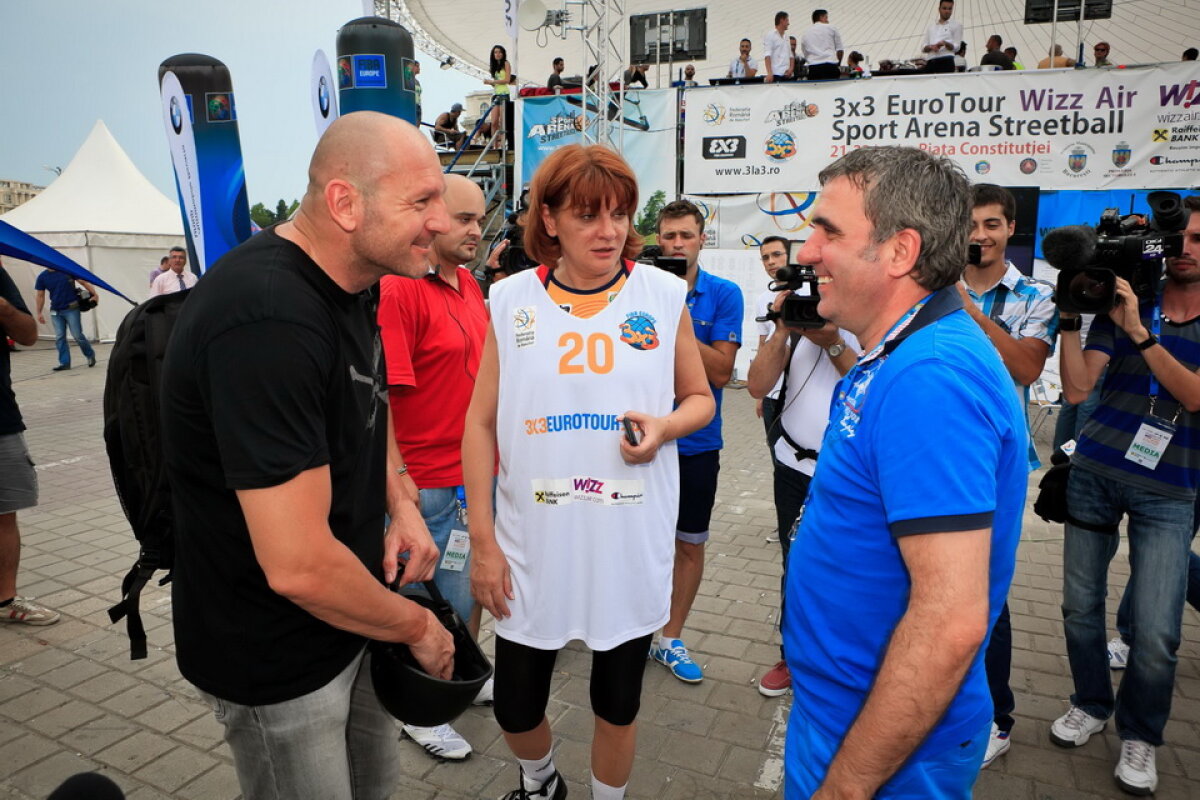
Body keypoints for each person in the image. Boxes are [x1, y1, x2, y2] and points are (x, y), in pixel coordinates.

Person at [160, 112, 455, 800]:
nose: (441, 221)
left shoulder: (357, 282)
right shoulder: (267, 318)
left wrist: (401, 506)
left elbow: (362, 403)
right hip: (276, 654)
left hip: (353, 619)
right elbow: (295, 565)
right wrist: (419, 626)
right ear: (344, 204)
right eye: (422, 202)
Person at [463, 144, 714, 800]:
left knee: (617, 700)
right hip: (531, 541)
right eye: (587, 215)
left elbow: (701, 399)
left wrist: (664, 427)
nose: (609, 231)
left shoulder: (661, 294)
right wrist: (483, 543)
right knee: (516, 705)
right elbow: (481, 424)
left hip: (627, 537)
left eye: (620, 214)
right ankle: (542, 782)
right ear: (549, 220)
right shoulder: (510, 298)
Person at [782, 146, 1026, 797]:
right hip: (845, 716)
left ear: (899, 251)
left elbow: (950, 622)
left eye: (827, 232)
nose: (806, 251)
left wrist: (848, 784)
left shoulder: (931, 377)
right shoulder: (898, 351)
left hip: (883, 750)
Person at [1053, 195, 1200, 796]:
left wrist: (1139, 332)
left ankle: (1141, 733)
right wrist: (1070, 317)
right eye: (1180, 238)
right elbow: (1077, 390)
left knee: (1158, 631)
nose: (1186, 249)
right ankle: (1091, 702)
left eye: (1199, 240)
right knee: (1078, 609)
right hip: (1093, 473)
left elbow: (1193, 396)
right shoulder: (1123, 299)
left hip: (1170, 492)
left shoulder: (1135, 316)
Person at [377, 174, 491, 762]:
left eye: (481, 219)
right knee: (420, 598)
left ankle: (456, 676)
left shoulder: (470, 284)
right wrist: (400, 485)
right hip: (426, 483)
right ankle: (417, 709)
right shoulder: (400, 289)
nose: (477, 230)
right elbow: (384, 399)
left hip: (471, 475)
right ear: (434, 220)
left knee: (459, 588)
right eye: (465, 219)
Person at [958, 184, 1058, 768]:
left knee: (987, 593)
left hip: (999, 465)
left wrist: (965, 308)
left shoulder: (1034, 295)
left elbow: (1025, 364)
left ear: (1010, 228)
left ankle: (998, 715)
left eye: (992, 225)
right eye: (970, 224)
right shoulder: (926, 286)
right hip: (937, 456)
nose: (979, 235)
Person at [747, 243, 858, 699]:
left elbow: (869, 388)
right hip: (792, 466)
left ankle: (843, 661)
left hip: (846, 472)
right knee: (795, 565)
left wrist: (830, 340)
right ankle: (792, 655)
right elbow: (756, 384)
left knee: (849, 570)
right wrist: (782, 329)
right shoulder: (791, 316)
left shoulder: (861, 316)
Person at [648, 200, 743, 685]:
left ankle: (670, 637)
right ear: (658, 239)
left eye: (686, 235)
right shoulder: (634, 290)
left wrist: (674, 314)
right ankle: (628, 627)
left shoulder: (724, 294)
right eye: (669, 236)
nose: (677, 244)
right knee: (636, 542)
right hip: (639, 443)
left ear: (702, 239)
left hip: (696, 445)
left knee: (688, 544)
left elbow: (723, 372)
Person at [1, 260, 59, 626]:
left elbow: (29, 336)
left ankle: (5, 599)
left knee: (5, 513)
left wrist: (4, 308)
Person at [753, 236, 789, 442]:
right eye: (765, 257)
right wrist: (761, 394)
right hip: (772, 395)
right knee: (777, 456)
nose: (771, 262)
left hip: (800, 392)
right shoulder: (762, 299)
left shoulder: (811, 292)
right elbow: (762, 344)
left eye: (776, 255)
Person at [34, 269, 97, 371]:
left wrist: (94, 294)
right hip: (55, 311)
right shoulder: (42, 277)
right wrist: (39, 312)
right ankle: (65, 363)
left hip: (71, 309)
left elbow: (83, 282)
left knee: (77, 335)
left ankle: (90, 355)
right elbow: (40, 295)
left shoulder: (66, 270)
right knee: (60, 337)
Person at [483, 44, 514, 145]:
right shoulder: (494, 66)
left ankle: (503, 144)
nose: (498, 54)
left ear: (503, 53)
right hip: (496, 94)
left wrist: (493, 81)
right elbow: (497, 83)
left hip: (504, 94)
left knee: (503, 122)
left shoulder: (506, 63)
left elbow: (507, 80)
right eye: (496, 52)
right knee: (494, 122)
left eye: (500, 52)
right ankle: (494, 145)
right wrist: (492, 83)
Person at [801, 9, 843, 81]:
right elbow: (840, 49)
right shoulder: (832, 28)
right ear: (821, 17)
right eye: (826, 18)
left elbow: (805, 52)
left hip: (814, 68)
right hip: (830, 65)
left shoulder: (806, 33)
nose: (827, 21)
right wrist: (838, 63)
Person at [920, 0, 962, 73]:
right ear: (939, 9)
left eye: (950, 9)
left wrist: (946, 43)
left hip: (946, 61)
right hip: (931, 61)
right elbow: (923, 47)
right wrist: (931, 47)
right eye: (944, 8)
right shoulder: (931, 27)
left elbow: (957, 47)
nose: (947, 11)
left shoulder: (957, 25)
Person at [763, 11, 792, 83]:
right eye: (787, 20)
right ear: (782, 20)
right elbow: (767, 55)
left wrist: (791, 69)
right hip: (776, 74)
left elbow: (791, 55)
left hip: (786, 74)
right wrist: (770, 73)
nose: (788, 23)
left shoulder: (787, 37)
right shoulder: (771, 35)